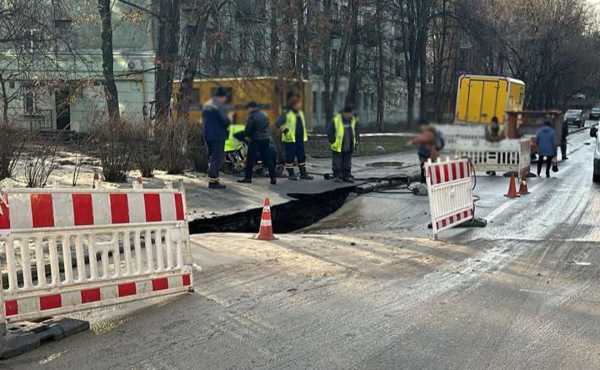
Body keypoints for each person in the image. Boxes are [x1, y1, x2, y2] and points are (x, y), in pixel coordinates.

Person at [238, 102, 277, 185]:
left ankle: (248, 178)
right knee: (268, 158)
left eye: (248, 108)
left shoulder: (252, 116)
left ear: (251, 108)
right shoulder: (264, 114)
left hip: (255, 139)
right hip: (265, 138)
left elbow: (248, 129)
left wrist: (245, 135)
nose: (247, 110)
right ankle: (273, 178)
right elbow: (267, 125)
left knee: (250, 159)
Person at [276, 94, 313, 180]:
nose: (300, 105)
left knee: (301, 156)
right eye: (298, 104)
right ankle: (291, 174)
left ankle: (303, 173)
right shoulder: (287, 113)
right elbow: (278, 123)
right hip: (290, 139)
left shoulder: (300, 113)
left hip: (300, 139)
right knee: (290, 157)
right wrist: (285, 131)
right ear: (293, 105)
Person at [203, 87, 231, 189]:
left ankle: (212, 178)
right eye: (225, 97)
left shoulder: (207, 105)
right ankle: (213, 181)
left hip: (208, 135)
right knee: (217, 158)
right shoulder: (218, 106)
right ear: (222, 97)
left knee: (212, 158)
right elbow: (225, 121)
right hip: (218, 135)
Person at [327, 105, 358, 183]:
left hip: (349, 145)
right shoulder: (336, 119)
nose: (351, 115)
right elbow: (330, 132)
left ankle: (346, 175)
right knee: (337, 161)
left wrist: (356, 141)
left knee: (347, 162)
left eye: (352, 113)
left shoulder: (353, 120)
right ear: (345, 113)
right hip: (338, 145)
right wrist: (333, 141)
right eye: (350, 113)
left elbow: (356, 131)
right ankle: (338, 176)